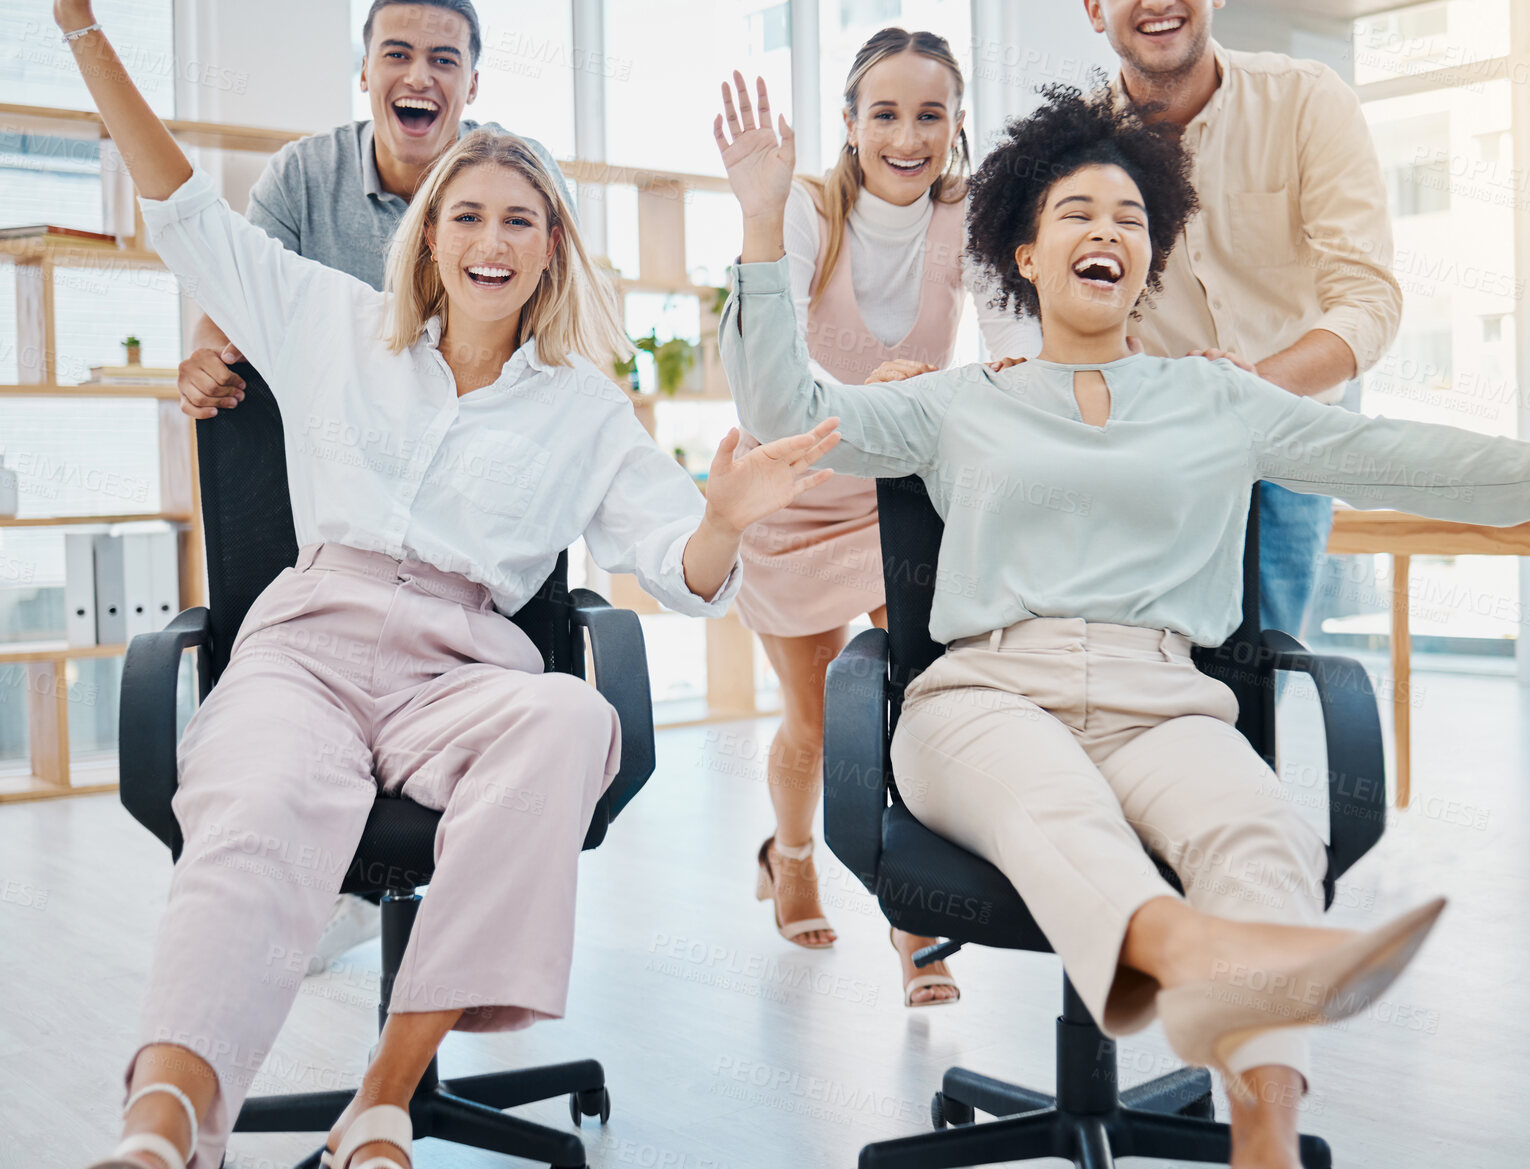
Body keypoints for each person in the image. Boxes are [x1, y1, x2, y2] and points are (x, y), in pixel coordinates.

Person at [712, 72, 1530, 1169]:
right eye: (1074, 213)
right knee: (1056, 808)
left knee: (1260, 832)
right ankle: (1196, 952)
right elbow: (784, 415)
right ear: (1024, 258)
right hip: (984, 698)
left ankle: (1261, 1128)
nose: (1105, 231)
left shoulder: (1218, 396)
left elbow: (1390, 454)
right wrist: (758, 222)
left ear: (1147, 260)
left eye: (1128, 218)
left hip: (1163, 698)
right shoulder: (958, 401)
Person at [57, 7, 840, 1169]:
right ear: (429, 241)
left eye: (519, 220)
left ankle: (383, 1095)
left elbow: (685, 571)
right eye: (466, 215)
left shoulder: (582, 404)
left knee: (574, 711)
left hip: (461, 670)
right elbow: (184, 211)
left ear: (550, 251)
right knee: (258, 809)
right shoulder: (331, 321)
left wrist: (722, 520)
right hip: (311, 641)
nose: (491, 237)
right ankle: (165, 1122)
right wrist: (81, 33)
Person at [178, 0, 583, 974]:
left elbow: (561, 320)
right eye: (397, 54)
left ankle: (417, 916)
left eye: (445, 59)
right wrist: (204, 356)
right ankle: (329, 873)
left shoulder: (508, 175)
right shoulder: (303, 178)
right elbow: (235, 296)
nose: (421, 77)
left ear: (473, 82)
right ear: (363, 71)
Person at [736, 29, 1036, 1008]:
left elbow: (1008, 343)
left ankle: (912, 914)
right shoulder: (810, 210)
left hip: (890, 495)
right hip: (790, 488)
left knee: (909, 698)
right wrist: (871, 392)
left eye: (930, 114)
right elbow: (770, 366)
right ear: (851, 123)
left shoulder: (970, 214)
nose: (908, 136)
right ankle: (789, 855)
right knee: (814, 723)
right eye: (886, 113)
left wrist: (1000, 384)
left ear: (954, 125)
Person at [1079, 0, 1405, 641]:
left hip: (1287, 442)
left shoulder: (1307, 102)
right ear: (1094, 8)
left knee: (1262, 686)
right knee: (1146, 673)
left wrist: (1247, 388)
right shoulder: (1074, 139)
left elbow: (1368, 300)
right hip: (1147, 450)